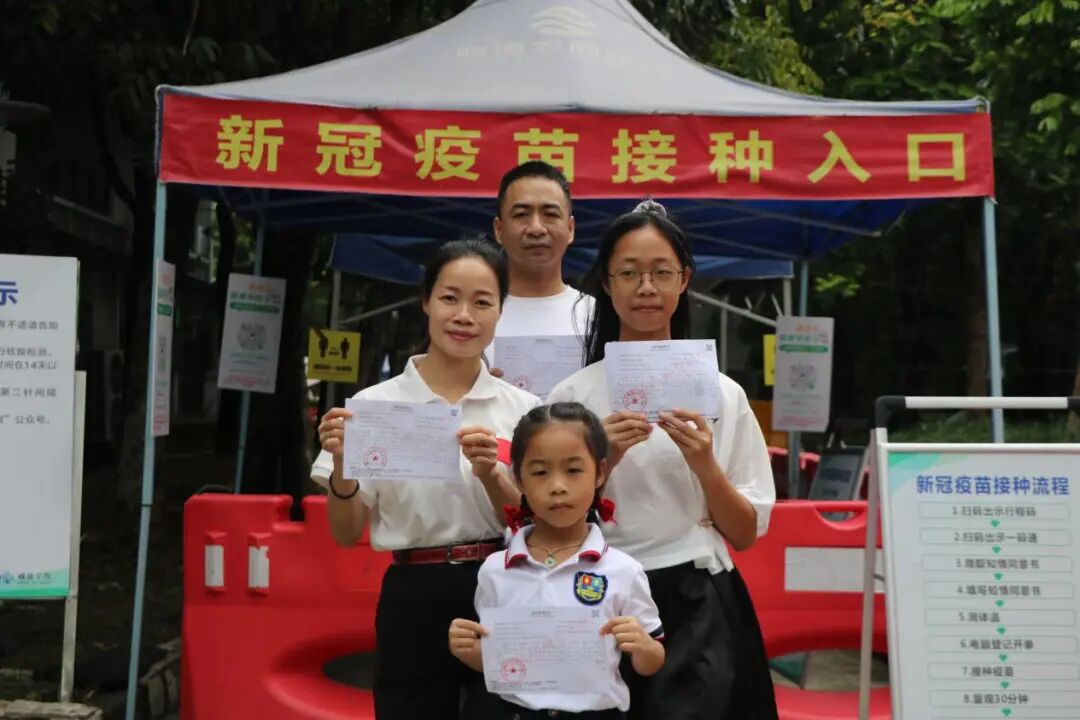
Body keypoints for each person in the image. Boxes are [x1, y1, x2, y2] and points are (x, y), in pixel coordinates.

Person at [546, 201, 779, 720]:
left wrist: (705, 466)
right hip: (596, 591)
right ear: (607, 285)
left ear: (684, 280)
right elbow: (545, 517)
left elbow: (744, 533)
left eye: (661, 273)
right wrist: (602, 463)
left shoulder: (724, 395)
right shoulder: (572, 397)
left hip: (696, 595)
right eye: (629, 273)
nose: (645, 288)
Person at [315, 237, 540, 720]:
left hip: (506, 583)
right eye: (449, 298)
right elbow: (345, 531)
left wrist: (491, 475)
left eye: (482, 302)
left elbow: (538, 522)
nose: (464, 316)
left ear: (501, 311)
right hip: (413, 591)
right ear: (426, 302)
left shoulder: (526, 412)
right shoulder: (374, 407)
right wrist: (343, 465)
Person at [449, 402, 665, 719]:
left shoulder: (623, 570)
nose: (558, 487)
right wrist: (469, 651)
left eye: (574, 470)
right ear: (518, 479)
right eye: (539, 472)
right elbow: (502, 664)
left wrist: (643, 646)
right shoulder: (495, 569)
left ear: (600, 472)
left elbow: (652, 661)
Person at [486, 161, 594, 373]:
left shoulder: (596, 314)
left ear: (570, 228)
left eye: (550, 214)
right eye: (521, 215)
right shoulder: (472, 316)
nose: (536, 229)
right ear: (499, 230)